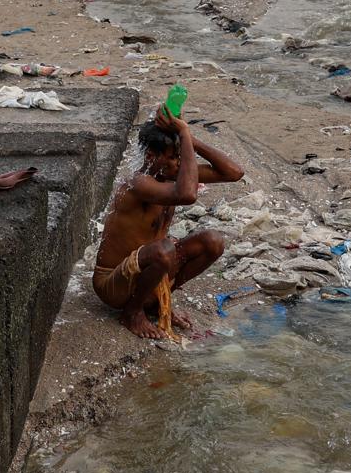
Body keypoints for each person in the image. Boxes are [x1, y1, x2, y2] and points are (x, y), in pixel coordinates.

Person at [92, 106, 244, 338]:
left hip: (150, 270)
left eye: (182, 157)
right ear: (153, 158)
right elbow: (187, 194)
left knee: (213, 241)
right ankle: (132, 313)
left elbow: (234, 172)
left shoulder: (171, 173)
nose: (181, 164)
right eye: (174, 158)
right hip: (115, 283)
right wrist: (181, 133)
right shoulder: (138, 183)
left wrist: (188, 137)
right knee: (164, 249)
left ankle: (156, 301)